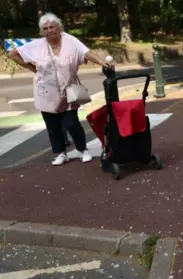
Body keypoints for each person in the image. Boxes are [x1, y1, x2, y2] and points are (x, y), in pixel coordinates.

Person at [7, 13, 115, 166]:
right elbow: (13, 54)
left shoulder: (70, 40)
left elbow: (86, 53)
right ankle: (61, 153)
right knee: (52, 125)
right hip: (45, 91)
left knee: (71, 123)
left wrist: (102, 62)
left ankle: (82, 149)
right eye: (45, 28)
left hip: (68, 90)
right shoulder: (37, 45)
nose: (49, 30)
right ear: (42, 31)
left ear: (59, 27)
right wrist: (33, 69)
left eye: (52, 27)